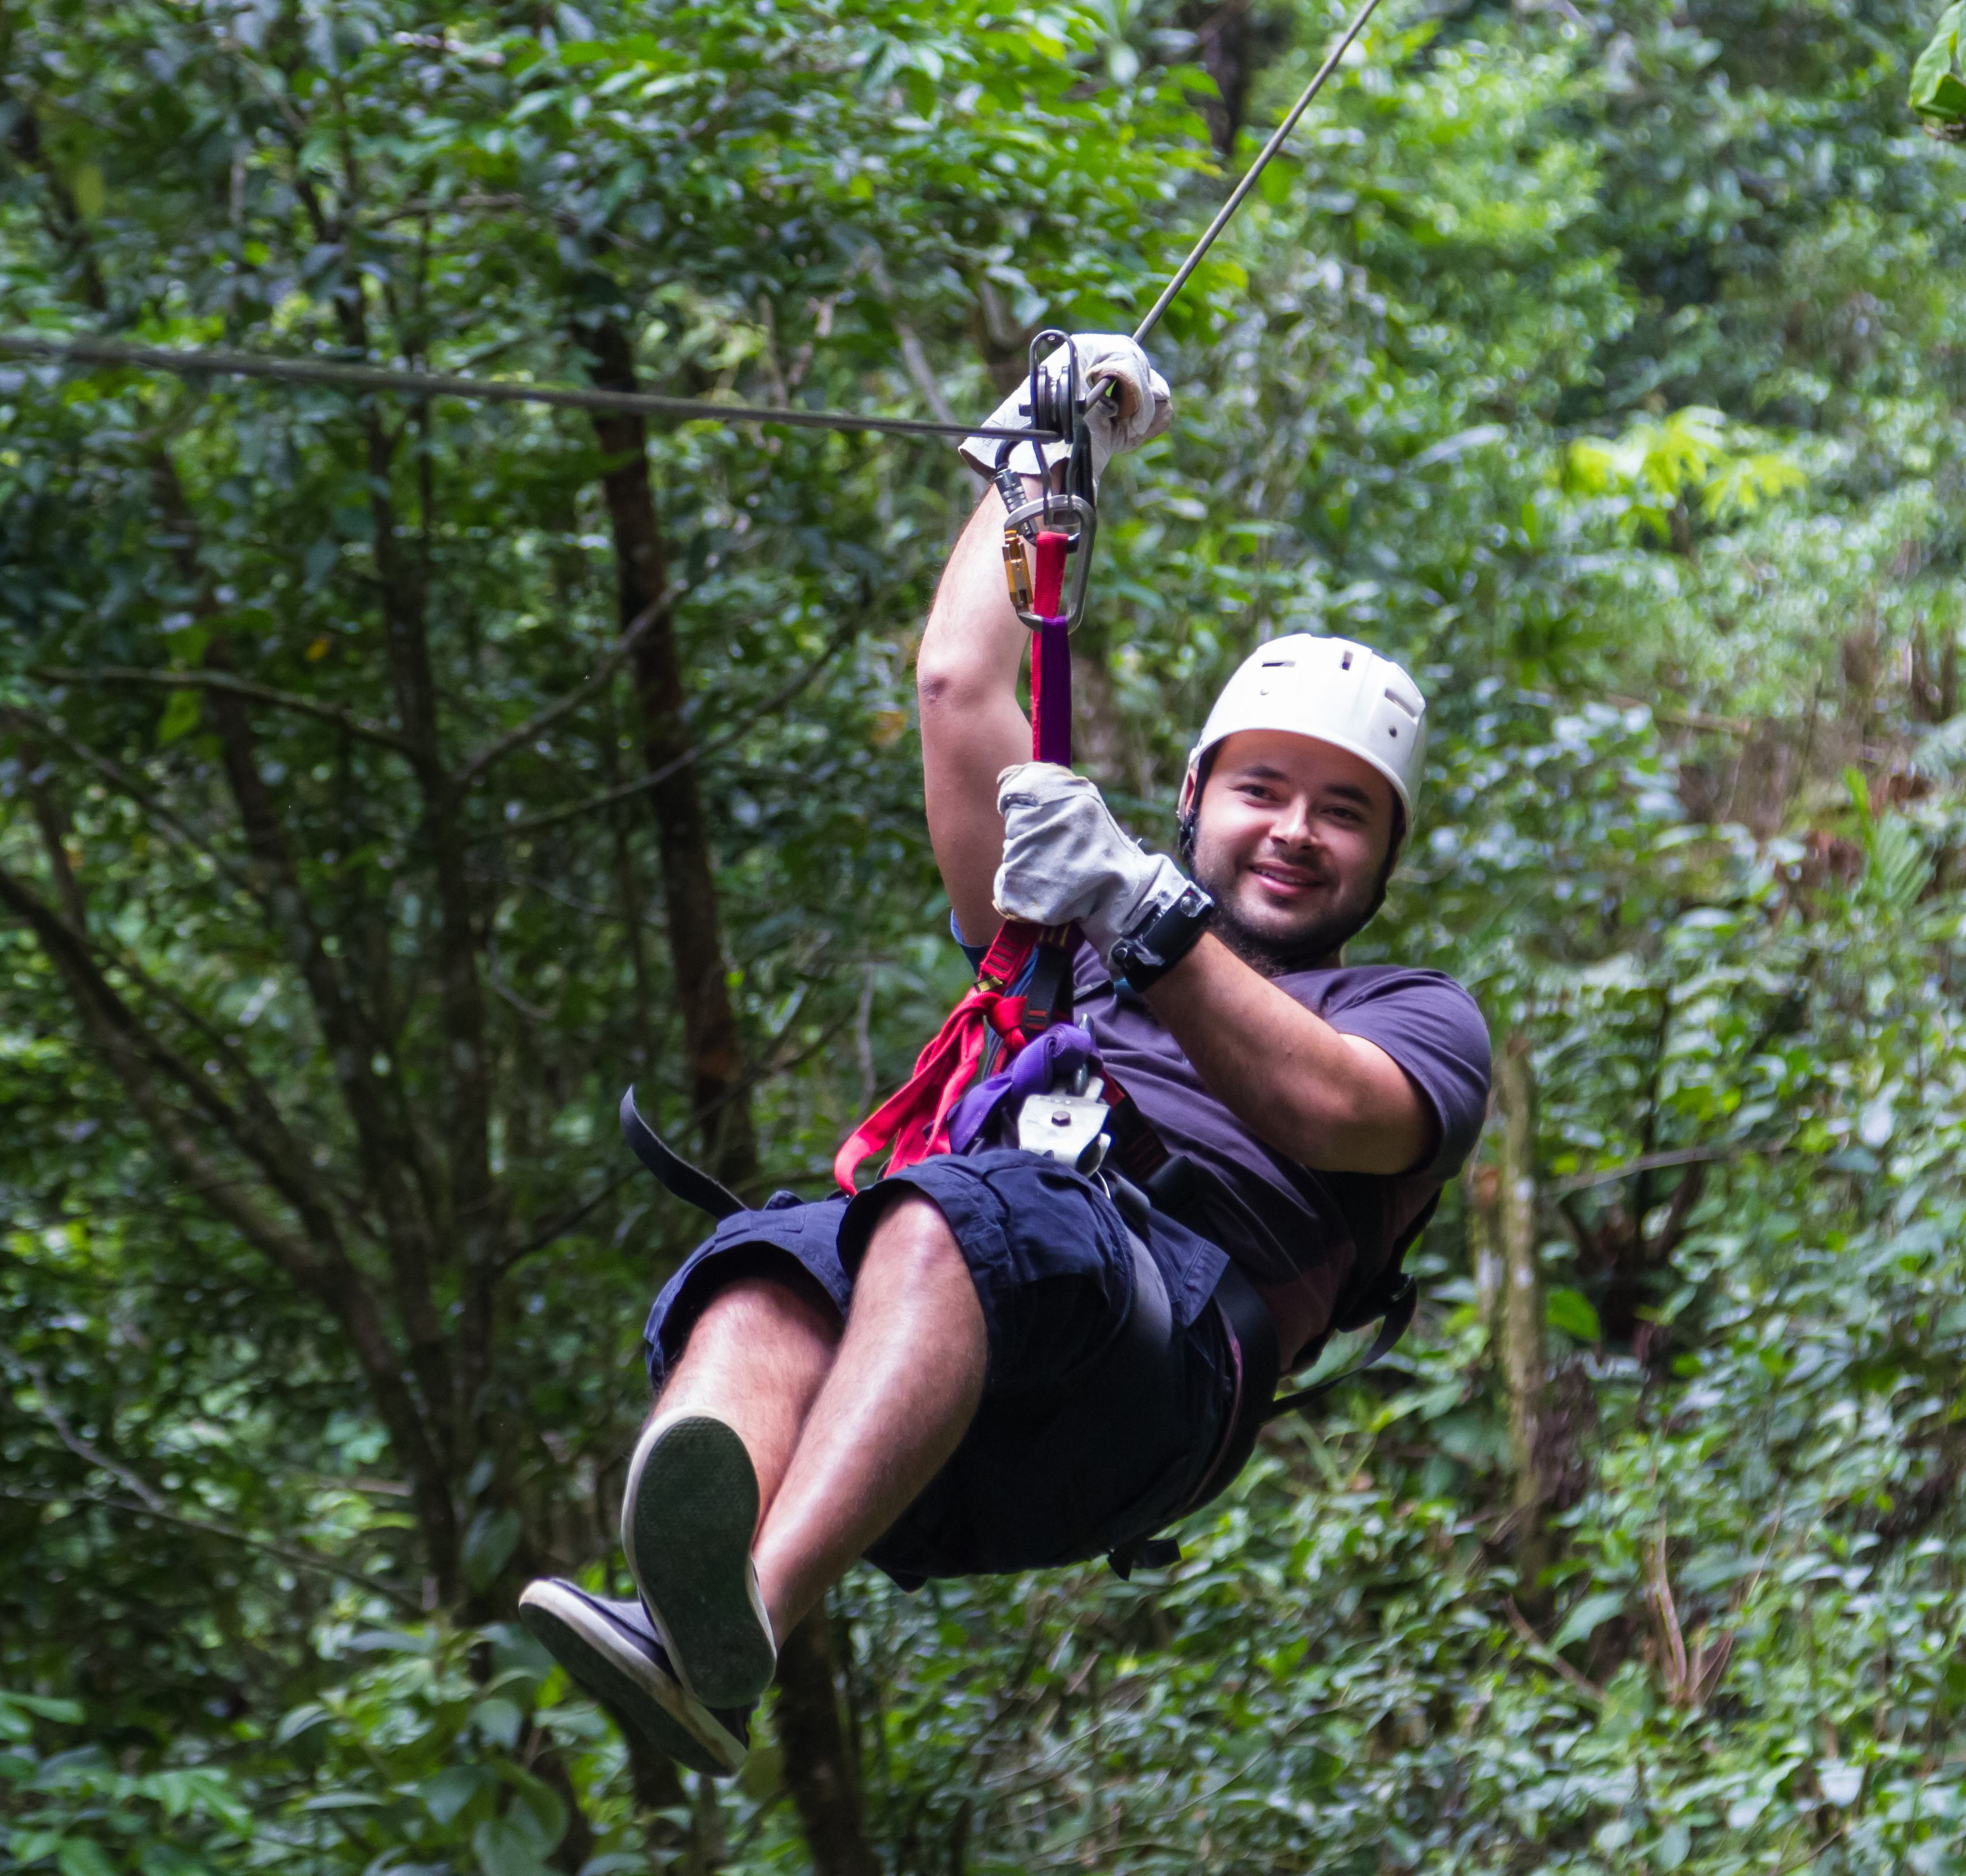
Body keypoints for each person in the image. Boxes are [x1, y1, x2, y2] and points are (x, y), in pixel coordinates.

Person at [519, 335, 1492, 1775]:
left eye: (1343, 812)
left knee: (949, 1219)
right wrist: (1037, 458)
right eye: (1265, 790)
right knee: (773, 1263)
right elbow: (959, 690)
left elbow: (1328, 1106)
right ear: (1194, 798)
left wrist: (1141, 914)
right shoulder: (1070, 932)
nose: (1296, 830)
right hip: (950, 1409)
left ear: (1386, 858)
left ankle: (740, 1635)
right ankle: (692, 1597)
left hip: (1158, 1369)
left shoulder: (1411, 1015)